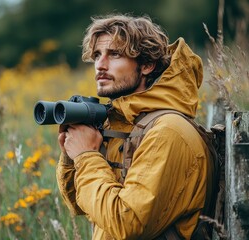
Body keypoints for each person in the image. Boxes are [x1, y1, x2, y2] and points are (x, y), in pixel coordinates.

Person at [56, 14, 215, 239]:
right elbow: (82, 206)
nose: (100, 65)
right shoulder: (126, 126)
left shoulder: (167, 131)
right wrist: (72, 157)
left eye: (115, 54)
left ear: (147, 65)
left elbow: (127, 223)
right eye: (97, 55)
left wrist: (86, 156)